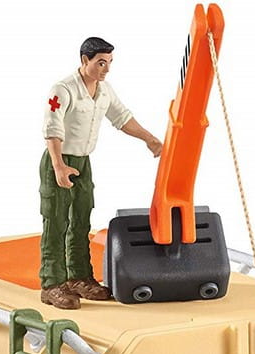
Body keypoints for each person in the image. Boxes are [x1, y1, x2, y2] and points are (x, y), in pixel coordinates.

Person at [40, 37, 163, 309]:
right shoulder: (63, 89)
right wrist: (58, 166)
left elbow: (122, 117)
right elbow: (52, 127)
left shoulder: (104, 91)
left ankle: (78, 276)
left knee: (81, 220)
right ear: (85, 60)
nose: (106, 69)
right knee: (57, 222)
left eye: (109, 62)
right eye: (101, 63)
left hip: (83, 162)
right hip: (59, 159)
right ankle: (52, 283)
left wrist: (150, 139)